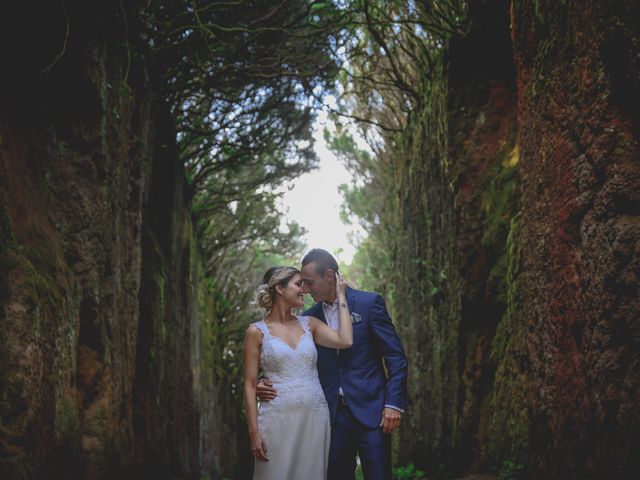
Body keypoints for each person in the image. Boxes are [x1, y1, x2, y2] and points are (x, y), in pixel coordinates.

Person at [257, 249, 408, 480]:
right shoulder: (308, 318)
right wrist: (263, 381)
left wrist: (393, 404)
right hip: (329, 416)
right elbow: (292, 357)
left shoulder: (369, 304)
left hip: (372, 411)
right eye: (302, 284)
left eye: (308, 282)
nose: (305, 289)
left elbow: (396, 358)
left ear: (329, 276)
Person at [243, 266, 353, 480]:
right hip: (276, 419)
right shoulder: (256, 332)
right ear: (280, 288)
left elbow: (345, 340)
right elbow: (249, 383)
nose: (304, 289)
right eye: (298, 284)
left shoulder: (310, 324)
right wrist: (254, 432)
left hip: (314, 418)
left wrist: (341, 297)